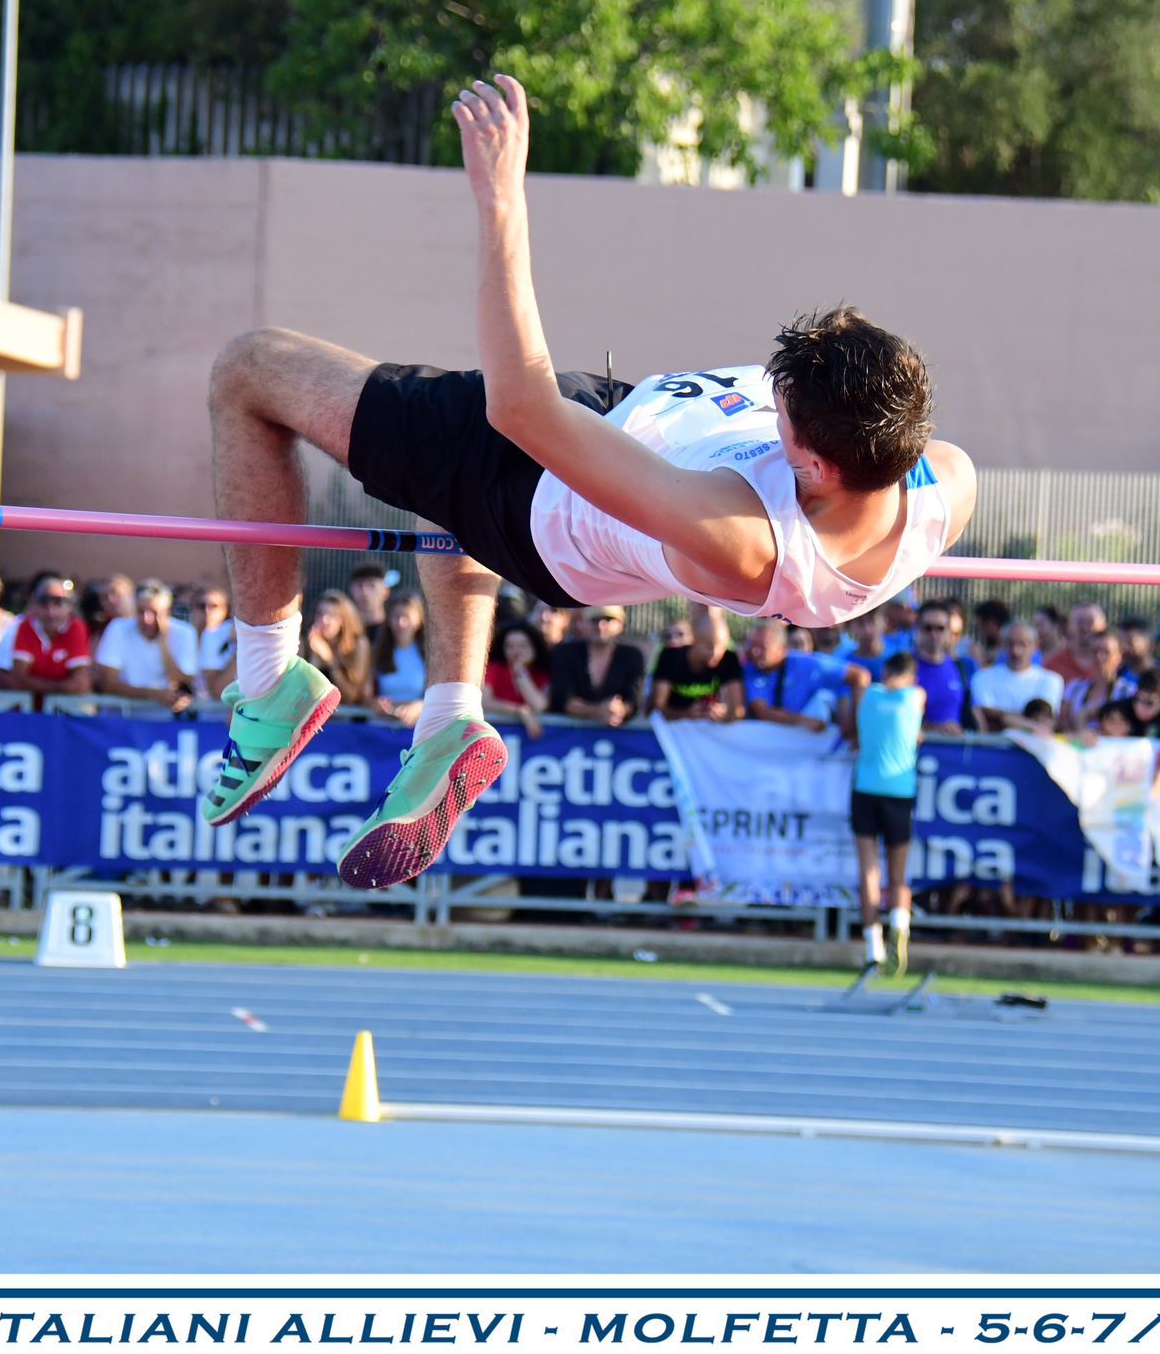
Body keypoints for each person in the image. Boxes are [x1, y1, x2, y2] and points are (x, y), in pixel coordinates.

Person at [196, 73, 975, 891]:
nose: (772, 417)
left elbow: (520, 407)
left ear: (814, 468)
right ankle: (449, 722)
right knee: (436, 495)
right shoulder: (942, 481)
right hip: (623, 413)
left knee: (251, 370)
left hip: (538, 490)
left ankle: (269, 682)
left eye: (780, 418)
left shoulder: (745, 537)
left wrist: (501, 200)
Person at [850, 652, 925, 975]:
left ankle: (873, 948)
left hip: (865, 787)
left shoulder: (867, 695)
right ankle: (899, 924)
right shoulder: (914, 697)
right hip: (900, 792)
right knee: (898, 875)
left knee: (869, 870)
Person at [95, 580, 199, 711]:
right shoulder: (117, 627)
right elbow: (108, 684)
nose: (146, 619)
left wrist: (162, 642)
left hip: (165, 720)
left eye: (154, 612)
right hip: (123, 719)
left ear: (168, 612)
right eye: (140, 611)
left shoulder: (185, 632)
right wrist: (154, 694)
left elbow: (183, 680)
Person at [547, 606, 648, 729]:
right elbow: (562, 699)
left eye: (608, 619)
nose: (600, 625)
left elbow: (633, 701)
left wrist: (619, 710)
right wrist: (599, 711)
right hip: (569, 736)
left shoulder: (632, 656)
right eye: (594, 620)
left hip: (617, 737)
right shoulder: (565, 652)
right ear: (583, 624)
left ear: (620, 624)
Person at [0, 573, 94, 697]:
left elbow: (80, 684)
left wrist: (35, 685)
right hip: (28, 710)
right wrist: (61, 686)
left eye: (58, 603)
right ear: (33, 604)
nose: (50, 612)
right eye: (43, 602)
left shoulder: (77, 628)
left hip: (63, 710)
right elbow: (18, 680)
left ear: (70, 607)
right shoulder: (24, 626)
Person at [741, 618, 841, 732]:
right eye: (752, 645)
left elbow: (858, 676)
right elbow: (762, 712)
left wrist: (851, 726)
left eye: (763, 647)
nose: (755, 652)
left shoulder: (805, 663)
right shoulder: (750, 670)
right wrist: (802, 721)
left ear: (782, 649)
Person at [651, 602, 745, 722]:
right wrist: (686, 714)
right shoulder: (670, 656)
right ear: (694, 641)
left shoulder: (729, 658)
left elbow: (738, 710)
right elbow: (657, 708)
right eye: (709, 646)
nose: (716, 653)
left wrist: (724, 714)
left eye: (721, 646)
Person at [970, 621, 1064, 731]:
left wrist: (1003, 717)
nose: (1016, 651)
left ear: (1035, 646)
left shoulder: (1051, 680)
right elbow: (985, 716)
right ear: (1002, 645)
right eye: (1010, 644)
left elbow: (1044, 719)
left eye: (1022, 644)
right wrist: (1026, 720)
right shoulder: (982, 677)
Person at [910, 598, 976, 736]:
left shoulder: (962, 668)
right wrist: (935, 728)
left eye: (940, 628)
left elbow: (970, 716)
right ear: (918, 629)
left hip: (953, 752)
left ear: (949, 632)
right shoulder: (904, 667)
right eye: (928, 628)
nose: (934, 635)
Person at [301, 589, 377, 708]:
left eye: (332, 615)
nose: (324, 620)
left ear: (343, 620)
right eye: (320, 614)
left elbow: (351, 696)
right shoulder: (305, 643)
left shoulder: (358, 645)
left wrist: (329, 660)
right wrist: (313, 661)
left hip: (346, 720)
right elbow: (302, 694)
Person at [482, 619, 552, 741]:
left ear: (533, 647)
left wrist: (521, 672)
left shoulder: (541, 675)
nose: (516, 651)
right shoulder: (495, 669)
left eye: (522, 646)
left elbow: (539, 705)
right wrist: (519, 711)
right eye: (510, 646)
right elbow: (485, 701)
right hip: (495, 737)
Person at [370, 590, 430, 727]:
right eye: (396, 617)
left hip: (419, 728)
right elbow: (366, 695)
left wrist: (419, 706)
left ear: (419, 619)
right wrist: (377, 704)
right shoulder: (377, 651)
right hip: (383, 727)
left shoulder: (430, 654)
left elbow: (438, 694)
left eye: (406, 617)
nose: (400, 623)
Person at [348, 563, 392, 647]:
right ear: (351, 590)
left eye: (372, 586)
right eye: (359, 586)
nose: (365, 592)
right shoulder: (345, 632)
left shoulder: (395, 631)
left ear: (386, 591)